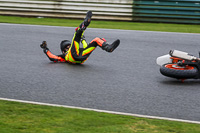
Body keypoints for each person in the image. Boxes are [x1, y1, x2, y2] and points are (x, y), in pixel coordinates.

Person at [40, 11, 120, 64]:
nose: (68, 47)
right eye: (66, 47)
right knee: (76, 35)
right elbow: (53, 58)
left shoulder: (77, 50)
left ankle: (108, 47)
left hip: (82, 57)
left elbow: (86, 47)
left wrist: (83, 40)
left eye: (69, 45)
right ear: (64, 51)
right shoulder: (64, 56)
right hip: (74, 57)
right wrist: (46, 49)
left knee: (96, 40)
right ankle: (84, 25)